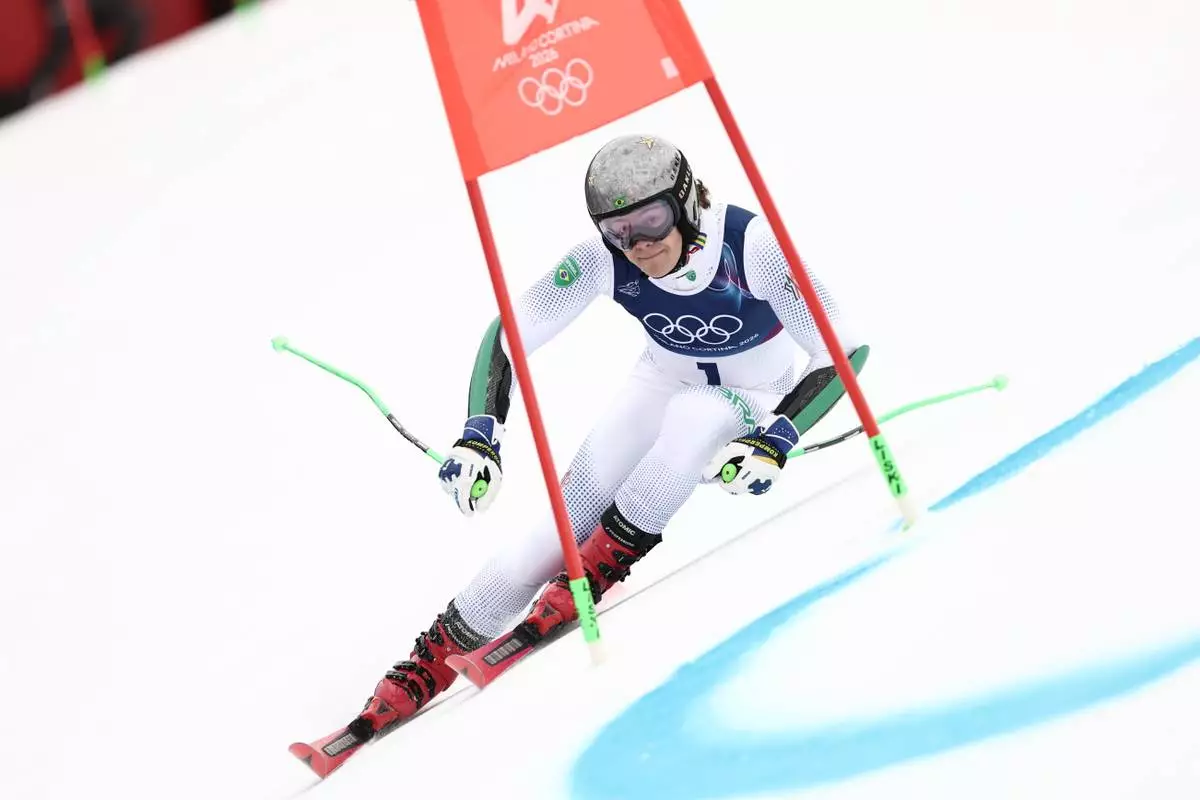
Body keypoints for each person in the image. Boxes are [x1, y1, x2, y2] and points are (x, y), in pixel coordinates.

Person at [347, 133, 866, 742]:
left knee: (695, 419)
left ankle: (592, 574)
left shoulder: (749, 246)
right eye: (619, 231)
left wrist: (778, 436)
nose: (640, 245)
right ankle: (424, 665)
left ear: (687, 201)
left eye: (651, 219)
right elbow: (508, 334)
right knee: (556, 528)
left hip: (751, 397)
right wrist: (480, 434)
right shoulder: (601, 258)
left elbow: (843, 349)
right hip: (661, 379)